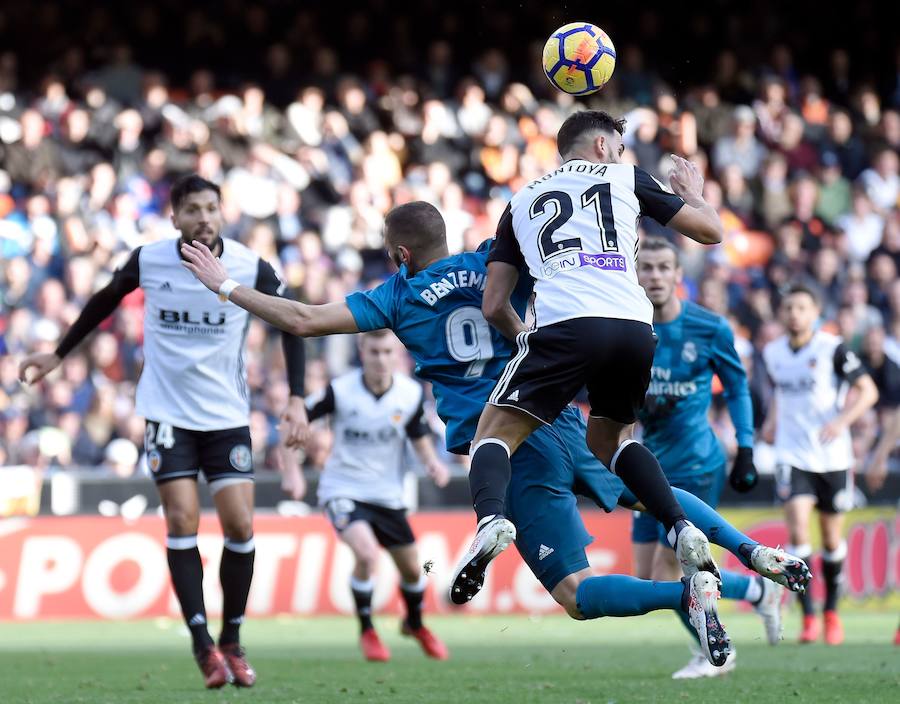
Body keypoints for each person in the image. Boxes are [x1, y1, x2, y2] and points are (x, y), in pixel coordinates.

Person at [181, 200, 810, 670]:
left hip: (506, 440)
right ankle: (754, 557)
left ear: (400, 255)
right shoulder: (492, 260)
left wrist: (226, 285)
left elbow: (302, 318)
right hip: (558, 410)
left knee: (576, 593)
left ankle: (676, 590)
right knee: (651, 492)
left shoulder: (397, 295)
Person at [18, 174, 309, 689]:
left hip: (226, 416)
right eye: (193, 209)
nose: (204, 217)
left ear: (223, 213)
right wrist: (57, 354)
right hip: (168, 414)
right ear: (173, 216)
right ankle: (202, 646)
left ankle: (232, 640)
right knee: (182, 518)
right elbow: (105, 299)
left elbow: (292, 321)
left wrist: (296, 398)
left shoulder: (248, 265)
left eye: (212, 208)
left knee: (241, 526)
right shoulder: (149, 259)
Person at [463, 110, 724, 606]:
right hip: (633, 327)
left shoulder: (519, 202)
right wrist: (693, 192)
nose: (623, 154)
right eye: (621, 146)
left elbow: (494, 305)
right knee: (611, 439)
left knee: (492, 435)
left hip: (564, 325)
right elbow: (710, 231)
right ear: (604, 146)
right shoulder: (627, 177)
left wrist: (530, 344)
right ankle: (679, 525)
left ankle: (492, 519)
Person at [635, 237, 781, 679]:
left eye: (664, 268)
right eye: (647, 268)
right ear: (635, 274)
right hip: (644, 465)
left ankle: (715, 649)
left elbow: (737, 386)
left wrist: (746, 445)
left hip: (695, 463)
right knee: (650, 579)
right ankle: (756, 590)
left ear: (680, 276)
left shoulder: (709, 327)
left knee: (670, 564)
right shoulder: (628, 326)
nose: (655, 276)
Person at [304, 329, 450, 662]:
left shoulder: (409, 394)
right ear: (362, 351)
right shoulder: (339, 391)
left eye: (388, 352)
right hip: (343, 489)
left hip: (388, 494)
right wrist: (293, 467)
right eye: (375, 352)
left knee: (414, 571)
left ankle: (414, 623)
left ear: (397, 355)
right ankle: (367, 630)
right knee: (367, 556)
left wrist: (432, 463)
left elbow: (418, 435)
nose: (382, 360)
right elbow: (298, 417)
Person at [762, 282, 879, 645]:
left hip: (832, 457)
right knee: (798, 532)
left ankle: (831, 612)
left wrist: (842, 422)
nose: (794, 314)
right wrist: (771, 420)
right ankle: (808, 617)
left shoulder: (833, 349)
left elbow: (868, 391)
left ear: (815, 313)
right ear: (781, 314)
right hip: (792, 454)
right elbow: (783, 393)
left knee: (830, 539)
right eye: (789, 308)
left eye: (801, 308)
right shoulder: (773, 352)